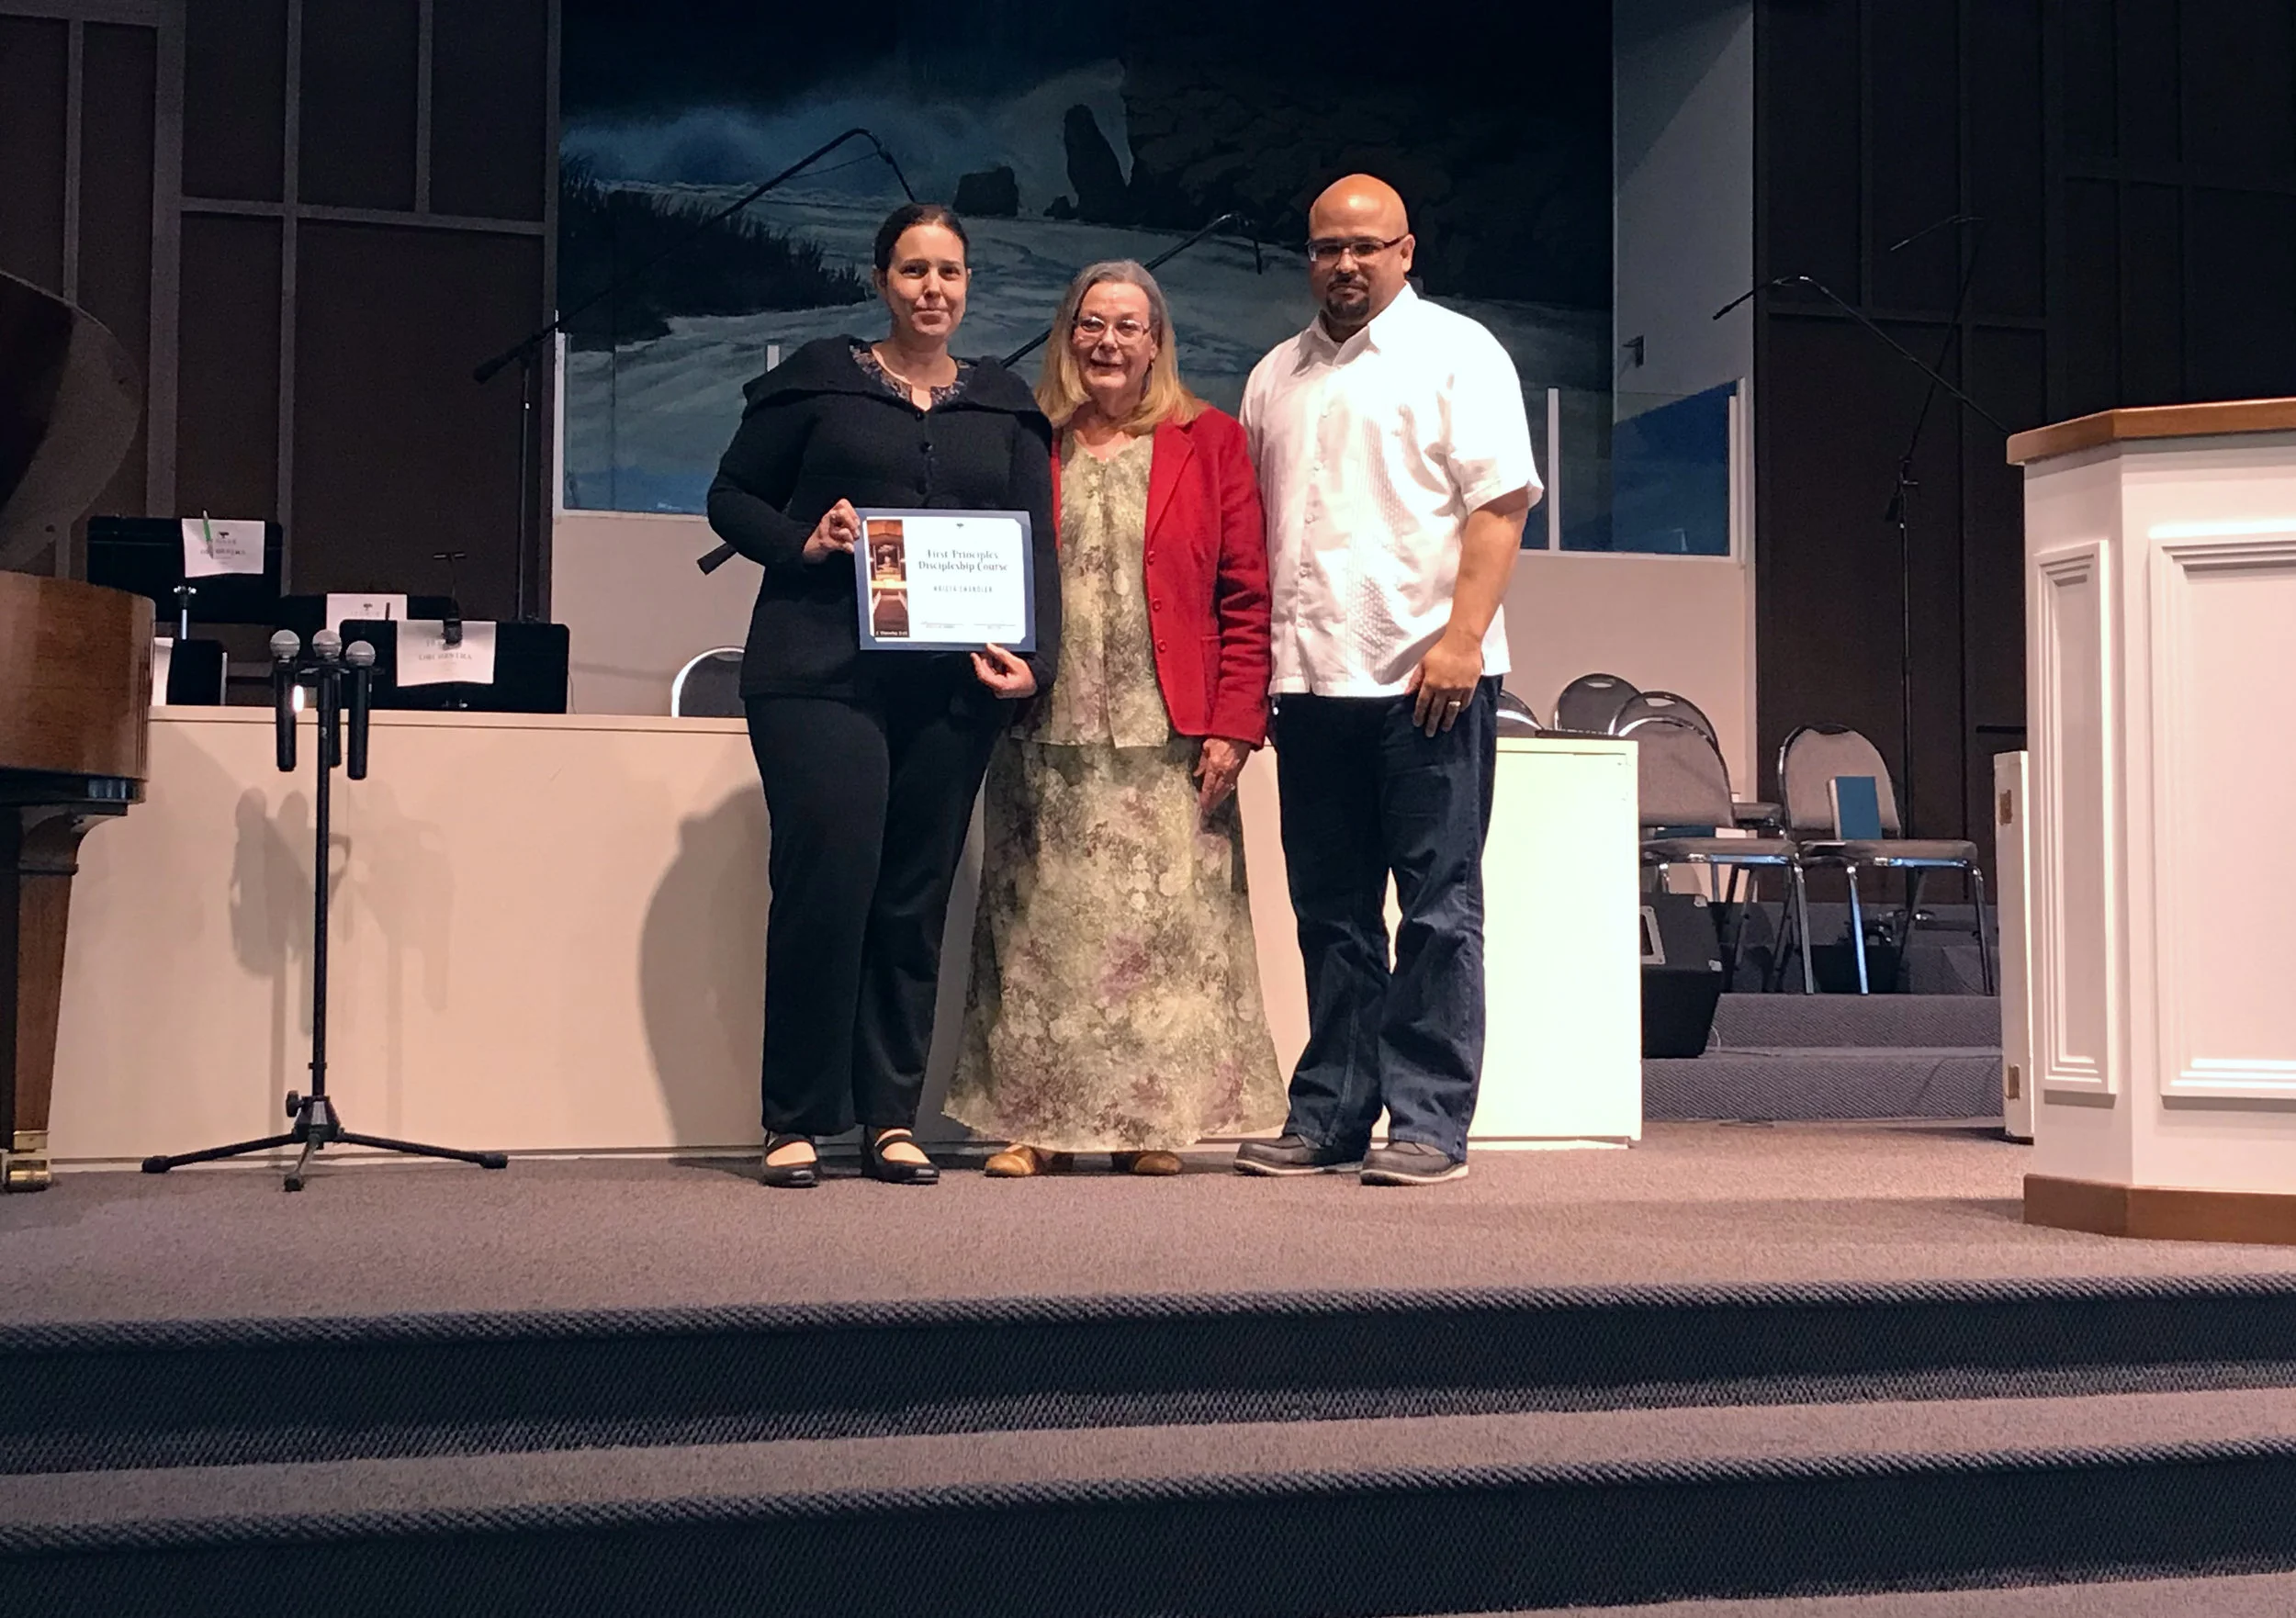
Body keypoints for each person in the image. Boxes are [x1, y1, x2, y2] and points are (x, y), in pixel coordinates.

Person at [704, 203, 1060, 1189]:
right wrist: (803, 541)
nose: (931, 288)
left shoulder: (1004, 406)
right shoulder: (819, 379)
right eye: (912, 270)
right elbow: (729, 497)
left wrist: (1036, 661)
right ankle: (795, 1118)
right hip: (817, 676)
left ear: (968, 285)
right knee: (828, 887)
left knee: (913, 899)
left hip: (951, 690)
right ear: (880, 281)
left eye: (949, 271)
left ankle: (889, 1118)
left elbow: (1036, 544)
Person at [947, 260, 1286, 1176]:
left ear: (1155, 341)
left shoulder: (1209, 440)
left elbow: (1246, 593)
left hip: (1169, 736)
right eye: (1091, 324)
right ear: (1069, 335)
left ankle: (1149, 1124)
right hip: (1042, 728)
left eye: (1127, 326)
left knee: (1163, 942)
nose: (1107, 342)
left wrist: (1236, 723)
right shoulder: (1030, 438)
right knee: (1039, 933)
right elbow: (985, 563)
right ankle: (1035, 1125)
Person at [1234, 174, 1540, 1187]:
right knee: (1330, 914)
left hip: (1427, 681)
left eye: (1366, 246)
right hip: (1310, 684)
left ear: (1406, 252)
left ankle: (1429, 1122)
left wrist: (1463, 639)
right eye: (1327, 247)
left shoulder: (1460, 352)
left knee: (1438, 911)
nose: (1345, 264)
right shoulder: (1274, 376)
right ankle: (1330, 1113)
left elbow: (1500, 506)